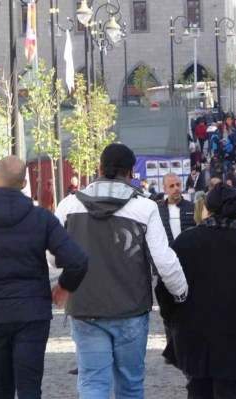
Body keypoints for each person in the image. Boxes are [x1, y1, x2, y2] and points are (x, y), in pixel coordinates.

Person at [52, 144, 188, 398]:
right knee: (130, 384)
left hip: (85, 306)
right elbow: (164, 260)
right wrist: (180, 293)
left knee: (92, 381)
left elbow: (52, 257)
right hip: (131, 307)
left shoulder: (69, 205)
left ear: (100, 169)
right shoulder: (145, 207)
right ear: (131, 172)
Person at [0, 156, 89, 398]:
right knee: (29, 388)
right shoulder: (42, 218)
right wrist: (63, 287)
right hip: (32, 312)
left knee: (0, 388)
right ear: (24, 183)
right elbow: (78, 260)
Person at [157, 183, 236, 399]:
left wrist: (172, 321)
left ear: (209, 208)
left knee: (198, 390)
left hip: (194, 334)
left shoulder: (186, 241)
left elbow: (165, 286)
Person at [158, 173, 196, 247]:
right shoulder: (158, 210)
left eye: (178, 185)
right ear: (165, 189)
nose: (176, 188)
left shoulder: (193, 207)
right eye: (171, 186)